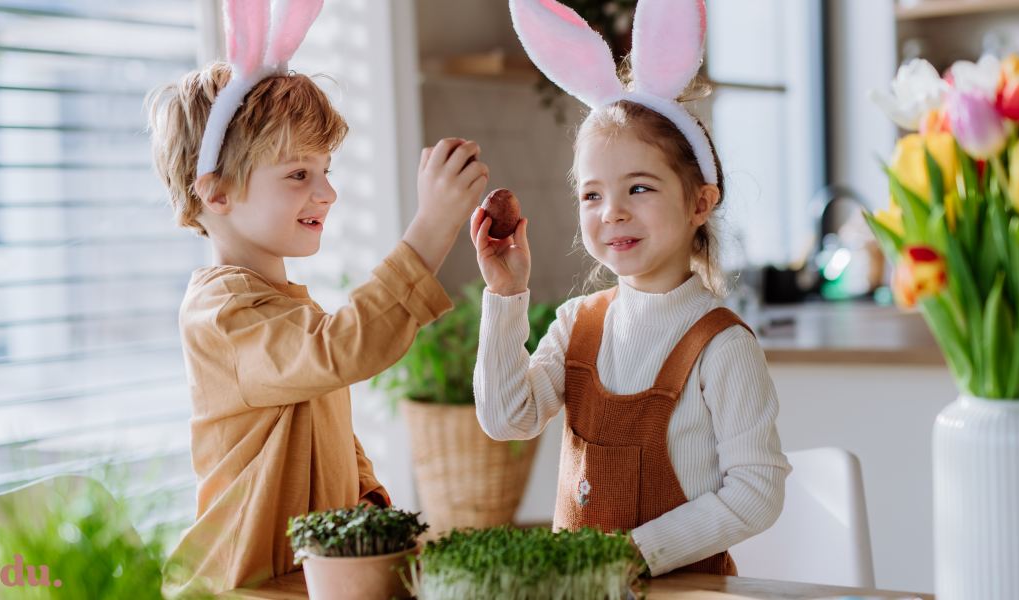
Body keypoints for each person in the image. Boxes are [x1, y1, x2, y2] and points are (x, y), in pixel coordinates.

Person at [146, 41, 487, 600]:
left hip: (306, 578)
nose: (327, 193)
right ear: (217, 191)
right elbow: (343, 350)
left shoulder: (285, 307)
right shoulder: (222, 315)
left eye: (325, 170)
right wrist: (432, 226)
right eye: (299, 173)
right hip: (245, 586)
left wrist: (370, 508)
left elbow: (326, 434)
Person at [471, 0, 790, 578]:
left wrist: (629, 557)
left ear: (700, 202)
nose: (611, 212)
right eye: (592, 195)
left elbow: (757, 491)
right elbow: (505, 418)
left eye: (638, 188)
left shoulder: (722, 346)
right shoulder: (577, 325)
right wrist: (505, 294)